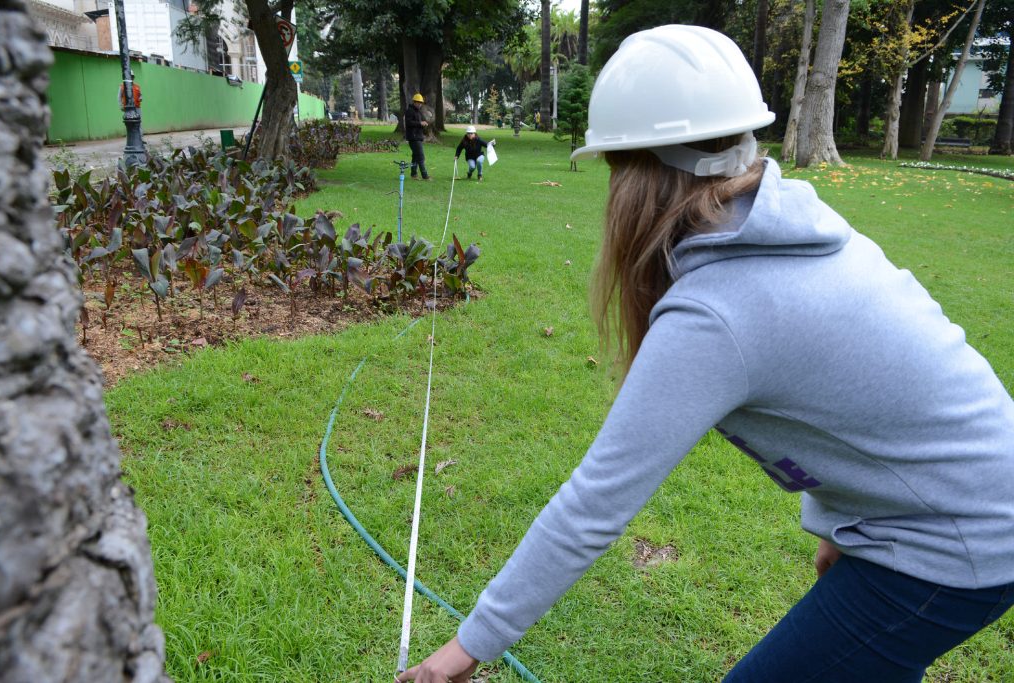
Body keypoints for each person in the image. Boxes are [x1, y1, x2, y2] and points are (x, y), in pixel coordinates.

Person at [397, 24, 1014, 683]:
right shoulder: (788, 218)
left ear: (634, 175)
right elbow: (870, 394)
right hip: (961, 508)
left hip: (960, 538)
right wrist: (842, 524)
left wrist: (462, 650)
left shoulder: (718, 310)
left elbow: (595, 501)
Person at [404, 93, 430, 181]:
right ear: (414, 102)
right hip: (413, 137)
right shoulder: (410, 111)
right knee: (421, 156)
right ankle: (425, 176)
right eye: (418, 102)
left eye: (421, 102)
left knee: (415, 156)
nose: (420, 104)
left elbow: (418, 122)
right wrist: (420, 123)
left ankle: (413, 174)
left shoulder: (417, 111)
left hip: (418, 136)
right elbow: (408, 123)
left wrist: (423, 123)